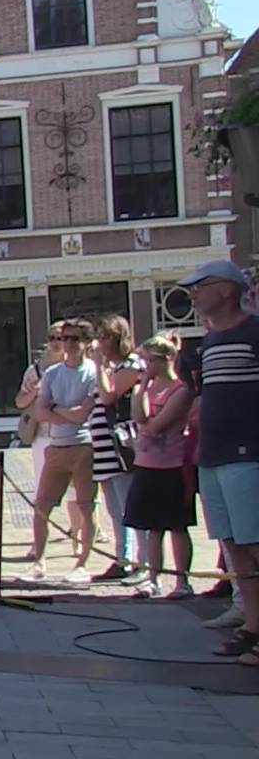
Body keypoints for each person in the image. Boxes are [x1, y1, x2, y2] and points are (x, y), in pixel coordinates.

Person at [173, 261, 259, 664]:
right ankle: (252, 625)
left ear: (226, 289)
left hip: (248, 453)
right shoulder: (208, 344)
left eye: (199, 287)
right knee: (233, 545)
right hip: (213, 454)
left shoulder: (253, 331)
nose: (193, 295)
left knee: (254, 542)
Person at [20, 319, 100, 585]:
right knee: (42, 506)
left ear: (86, 343)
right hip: (55, 446)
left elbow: (82, 415)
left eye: (74, 339)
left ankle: (82, 564)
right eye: (64, 338)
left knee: (86, 507)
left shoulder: (93, 372)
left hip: (84, 446)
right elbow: (40, 411)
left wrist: (59, 412)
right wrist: (65, 413)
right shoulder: (52, 373)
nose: (67, 343)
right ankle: (39, 562)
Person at [124, 333, 193, 601]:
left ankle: (183, 581)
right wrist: (141, 386)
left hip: (173, 466)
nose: (145, 366)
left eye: (149, 361)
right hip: (147, 464)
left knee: (177, 525)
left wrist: (147, 423)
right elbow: (139, 416)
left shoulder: (181, 390)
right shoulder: (148, 387)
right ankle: (153, 579)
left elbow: (156, 426)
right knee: (152, 526)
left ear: (166, 359)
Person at [88, 314, 145, 585]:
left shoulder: (132, 364)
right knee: (114, 508)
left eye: (105, 337)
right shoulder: (112, 368)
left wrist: (99, 366)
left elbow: (110, 396)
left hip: (123, 446)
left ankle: (142, 562)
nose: (100, 342)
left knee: (131, 505)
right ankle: (122, 558)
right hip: (103, 448)